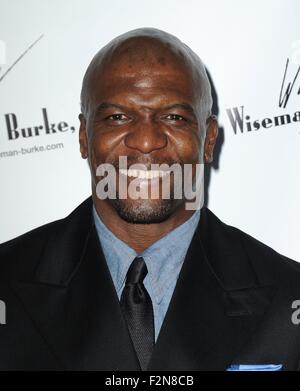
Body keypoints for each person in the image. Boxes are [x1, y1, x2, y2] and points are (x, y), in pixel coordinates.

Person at [0, 27, 300, 371]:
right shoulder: (7, 279)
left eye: (174, 117)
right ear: (84, 137)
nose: (145, 141)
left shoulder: (288, 296)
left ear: (208, 139)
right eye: (118, 117)